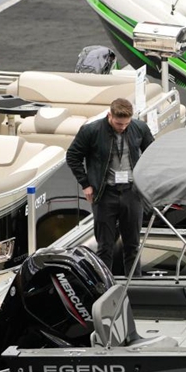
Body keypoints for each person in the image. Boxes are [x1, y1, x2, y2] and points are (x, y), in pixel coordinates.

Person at [66, 98, 154, 277]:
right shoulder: (91, 130)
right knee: (105, 246)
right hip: (105, 194)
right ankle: (104, 287)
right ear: (109, 116)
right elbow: (73, 156)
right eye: (118, 123)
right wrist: (86, 184)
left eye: (126, 124)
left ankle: (135, 288)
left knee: (132, 246)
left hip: (132, 192)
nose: (122, 127)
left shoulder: (139, 128)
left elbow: (152, 154)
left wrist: (148, 180)